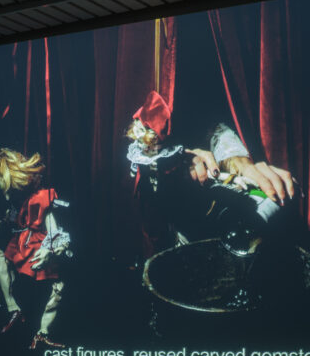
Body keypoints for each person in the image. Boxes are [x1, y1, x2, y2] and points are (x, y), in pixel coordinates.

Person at [126, 90, 296, 253]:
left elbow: (215, 128)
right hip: (175, 239)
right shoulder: (147, 161)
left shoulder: (205, 112)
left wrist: (240, 165)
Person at [0, 148, 72, 350]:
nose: (7, 197)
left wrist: (50, 249)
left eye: (10, 191)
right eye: (5, 192)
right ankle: (13, 309)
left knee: (57, 288)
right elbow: (13, 219)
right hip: (20, 245)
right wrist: (1, 224)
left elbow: (54, 230)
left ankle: (43, 332)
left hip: (39, 247)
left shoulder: (41, 198)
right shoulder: (16, 201)